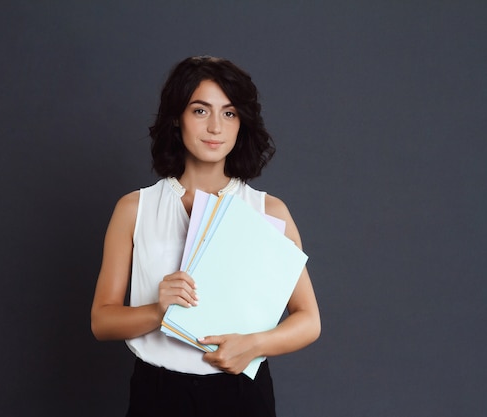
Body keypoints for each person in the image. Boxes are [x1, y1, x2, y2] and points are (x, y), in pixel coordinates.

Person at [91, 55, 320, 417]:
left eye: (229, 113)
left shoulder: (269, 212)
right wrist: (158, 310)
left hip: (241, 393)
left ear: (242, 123)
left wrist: (254, 344)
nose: (216, 127)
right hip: (158, 394)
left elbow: (309, 319)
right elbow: (101, 321)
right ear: (176, 118)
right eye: (200, 110)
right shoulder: (135, 208)